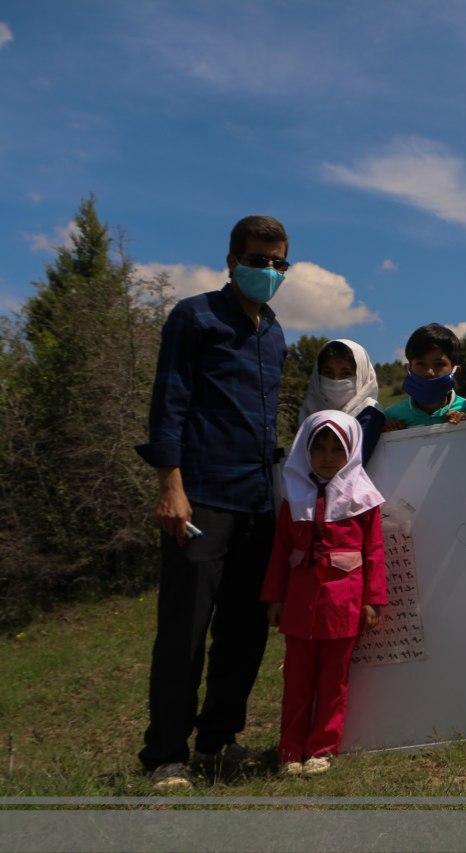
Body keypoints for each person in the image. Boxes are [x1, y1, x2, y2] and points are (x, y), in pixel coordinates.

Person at [135, 215, 290, 789]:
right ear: (232, 261)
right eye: (257, 260)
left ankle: (218, 743)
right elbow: (168, 401)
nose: (268, 271)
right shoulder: (193, 317)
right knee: (184, 629)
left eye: (278, 263)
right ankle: (166, 756)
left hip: (257, 503)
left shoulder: (274, 332)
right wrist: (170, 486)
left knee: (244, 632)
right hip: (200, 499)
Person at [262, 411, 386, 776]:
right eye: (320, 447)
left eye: (337, 448)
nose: (329, 456)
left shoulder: (363, 499)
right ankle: (289, 751)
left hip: (342, 605)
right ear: (306, 450)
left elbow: (374, 552)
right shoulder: (293, 498)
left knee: (334, 681)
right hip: (301, 605)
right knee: (297, 680)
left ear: (351, 451)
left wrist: (372, 599)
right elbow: (281, 551)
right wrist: (275, 598)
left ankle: (322, 748)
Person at [299, 339, 386, 465]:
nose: (336, 381)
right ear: (317, 376)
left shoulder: (369, 412)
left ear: (361, 375)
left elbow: (348, 466)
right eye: (328, 373)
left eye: (346, 374)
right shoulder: (308, 412)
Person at [383, 324, 466, 430]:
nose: (429, 372)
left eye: (439, 364)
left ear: (455, 370)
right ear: (408, 369)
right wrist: (390, 433)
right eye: (421, 364)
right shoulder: (390, 417)